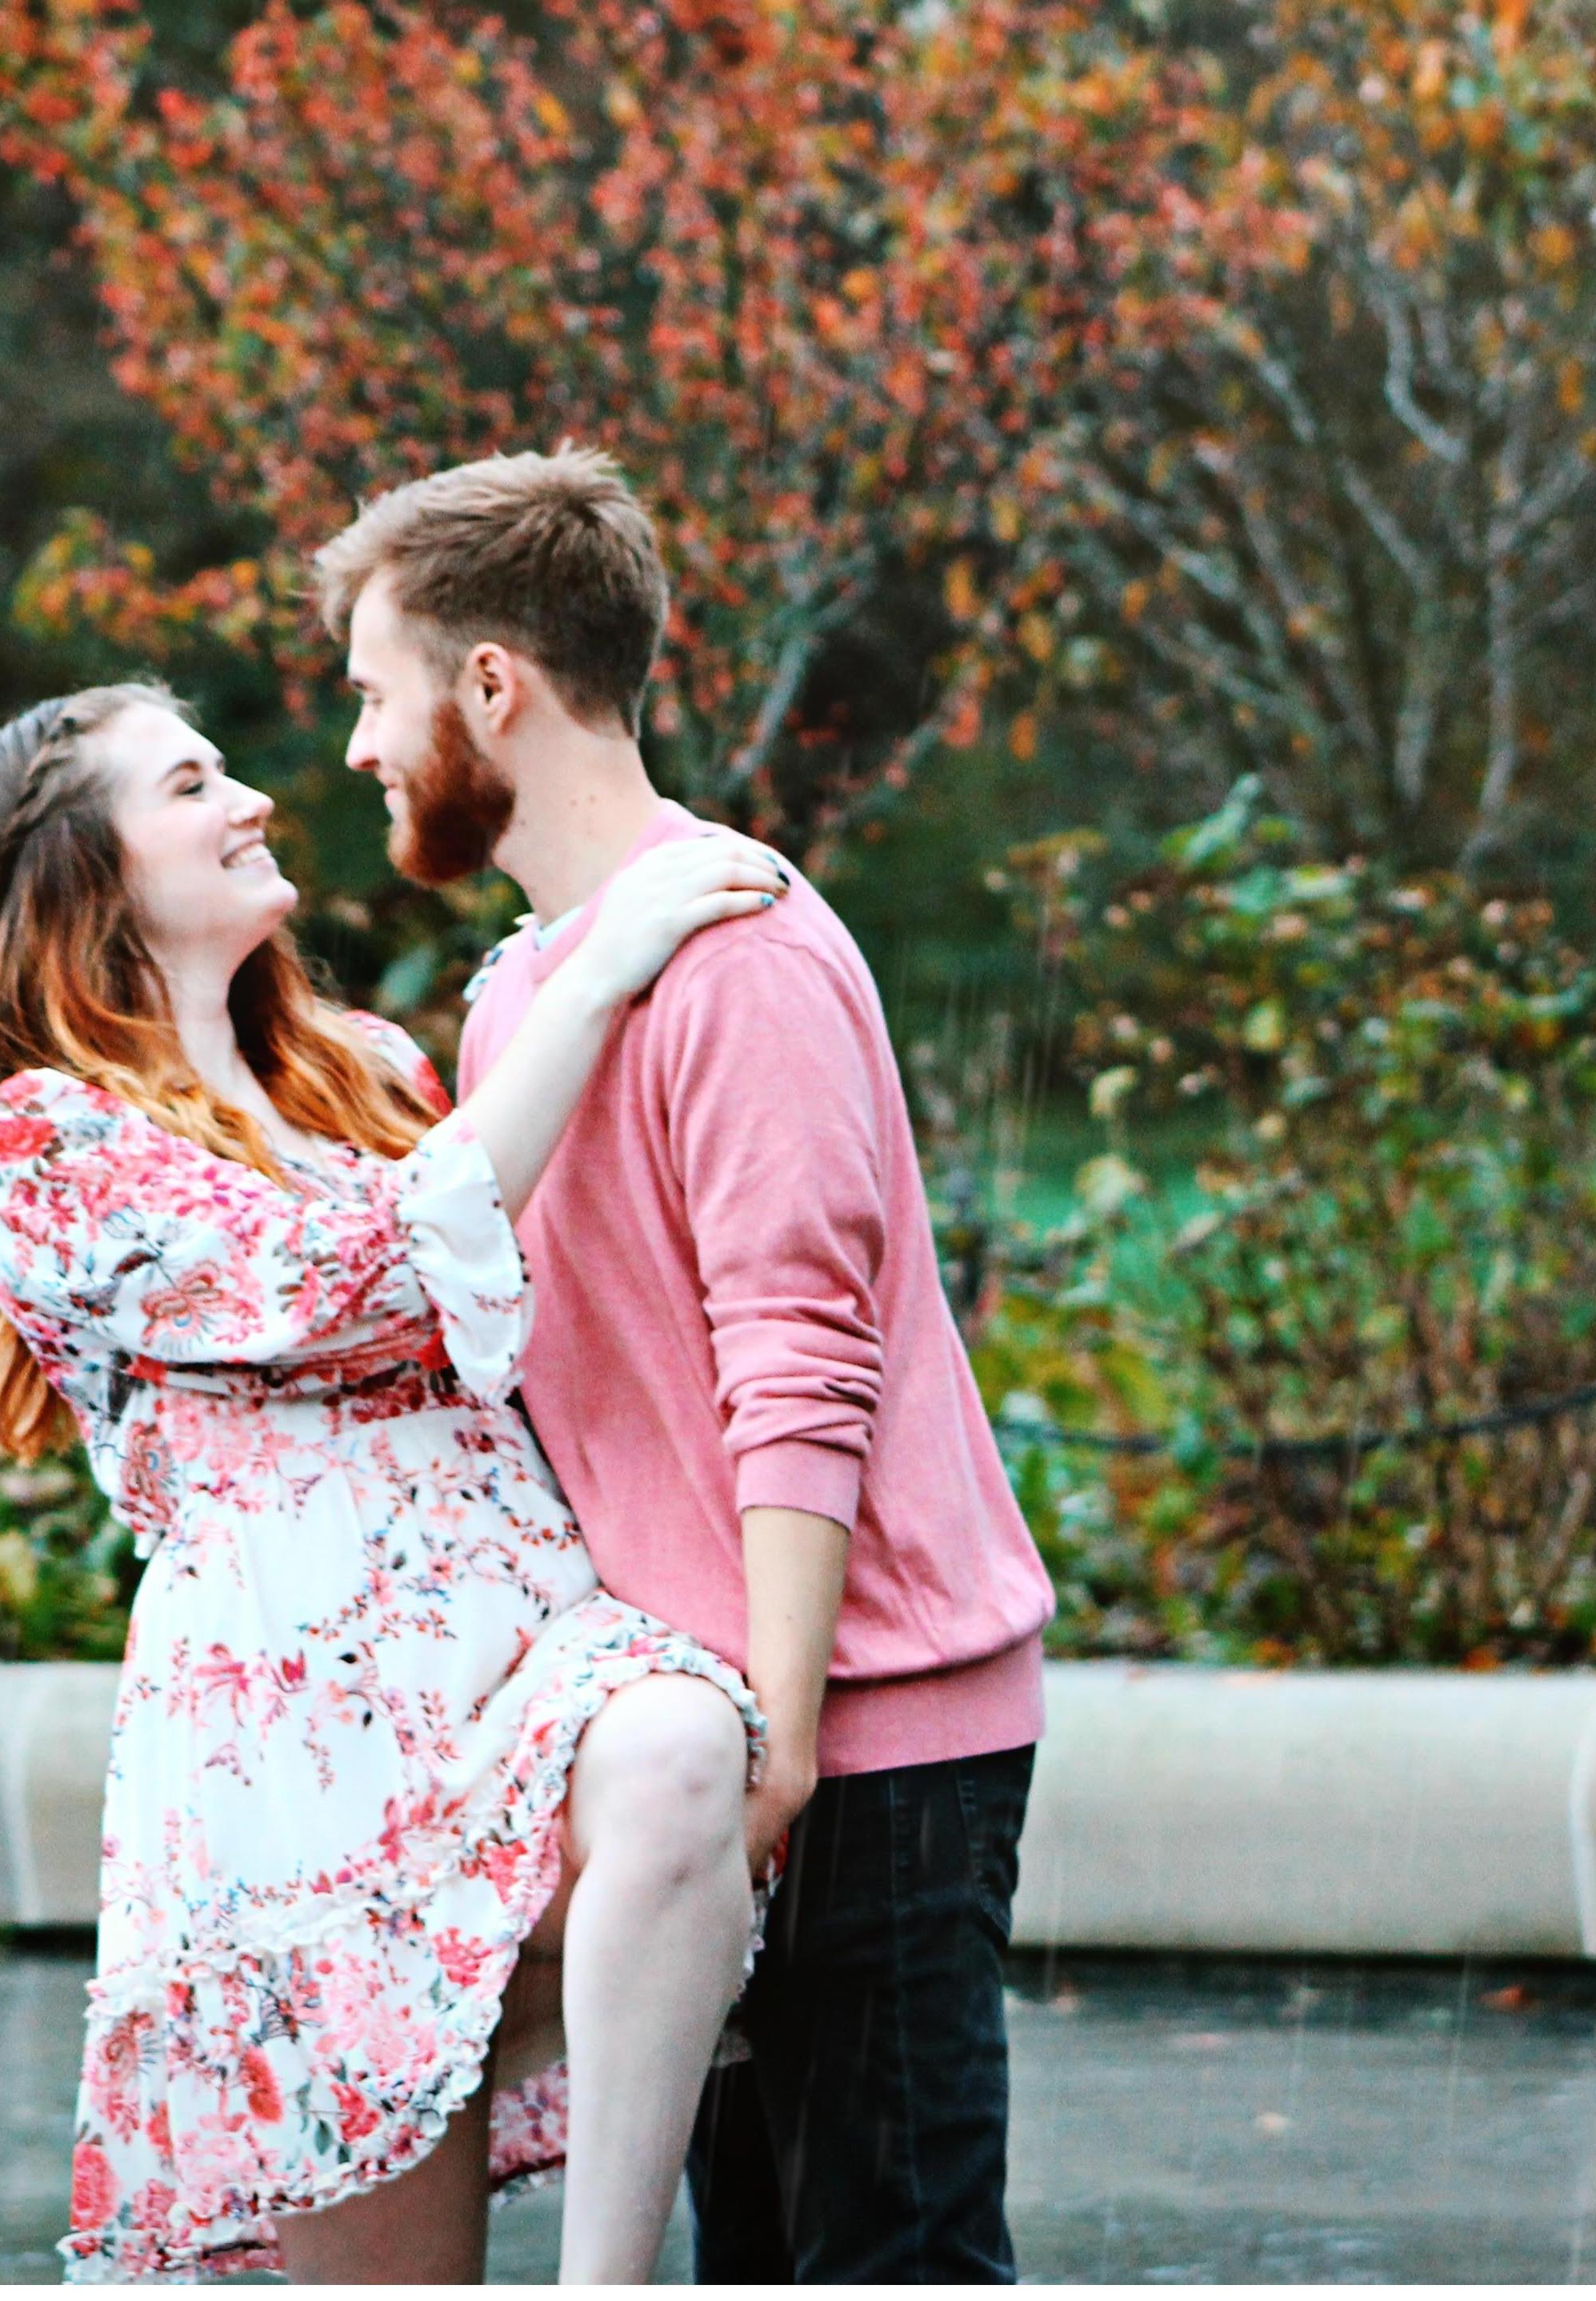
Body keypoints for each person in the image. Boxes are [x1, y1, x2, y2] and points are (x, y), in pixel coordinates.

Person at [0, 679, 792, 2284]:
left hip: (517, 1672)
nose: (251, 800)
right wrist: (594, 977)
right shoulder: (36, 1141)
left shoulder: (375, 1070)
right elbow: (347, 1276)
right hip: (296, 1775)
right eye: (191, 785)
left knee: (685, 1747)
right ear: (85, 873)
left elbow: (551, 1289)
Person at [321, 449, 1058, 2284]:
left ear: (490, 684)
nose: (355, 750)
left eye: (371, 690)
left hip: (860, 1744)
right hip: (697, 1752)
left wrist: (787, 1746)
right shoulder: (525, 998)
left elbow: (804, 1359)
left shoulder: (736, 952)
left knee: (885, 2261)